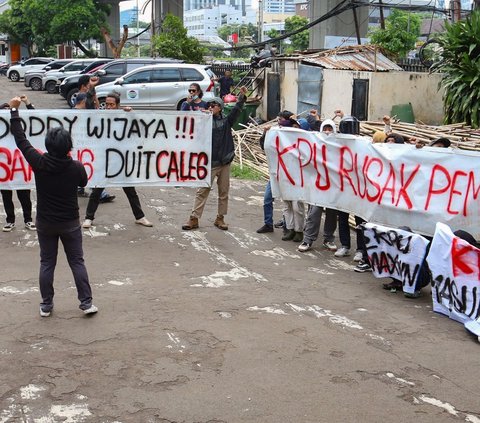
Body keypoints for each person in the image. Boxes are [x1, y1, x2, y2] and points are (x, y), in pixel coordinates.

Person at [8, 96, 97, 317]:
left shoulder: (39, 162)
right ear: (69, 146)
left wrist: (14, 111)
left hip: (45, 223)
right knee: (77, 262)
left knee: (47, 263)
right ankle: (86, 303)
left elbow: (21, 140)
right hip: (70, 223)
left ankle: (46, 305)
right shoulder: (75, 167)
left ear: (48, 146)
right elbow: (84, 183)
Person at [82, 92, 152, 229]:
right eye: (107, 104)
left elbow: (140, 128)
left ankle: (140, 217)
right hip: (104, 161)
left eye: (111, 105)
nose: (108, 107)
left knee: (130, 191)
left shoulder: (124, 117)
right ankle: (88, 218)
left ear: (117, 105)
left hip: (121, 162)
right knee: (96, 191)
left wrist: (131, 114)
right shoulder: (100, 117)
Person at [182, 86, 248, 231]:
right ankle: (194, 219)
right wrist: (188, 104)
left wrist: (242, 97)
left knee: (223, 192)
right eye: (209, 105)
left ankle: (220, 218)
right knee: (202, 191)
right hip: (209, 163)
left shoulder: (226, 121)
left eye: (214, 105)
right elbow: (186, 120)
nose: (211, 107)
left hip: (224, 162)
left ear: (221, 107)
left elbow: (236, 110)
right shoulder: (203, 122)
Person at [297, 119, 339, 252]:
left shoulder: (339, 146)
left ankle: (328, 239)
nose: (327, 131)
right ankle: (308, 239)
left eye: (330, 129)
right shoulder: (314, 144)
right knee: (314, 213)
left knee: (332, 213)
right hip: (317, 185)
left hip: (333, 186)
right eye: (325, 128)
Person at [1, 95, 36, 232]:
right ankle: (10, 221)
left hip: (21, 163)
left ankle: (28, 219)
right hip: (4, 164)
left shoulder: (20, 119)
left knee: (24, 194)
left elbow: (36, 116)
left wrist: (27, 102)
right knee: (6, 194)